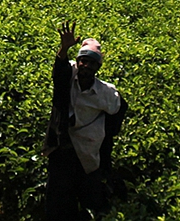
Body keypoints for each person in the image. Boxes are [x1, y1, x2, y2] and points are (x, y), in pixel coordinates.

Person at [43, 21, 127, 220]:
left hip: (87, 153)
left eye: (91, 63)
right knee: (58, 202)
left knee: (88, 200)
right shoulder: (69, 75)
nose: (86, 66)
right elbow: (59, 72)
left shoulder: (105, 93)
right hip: (62, 148)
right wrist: (64, 48)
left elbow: (119, 110)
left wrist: (103, 134)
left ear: (98, 67)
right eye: (83, 61)